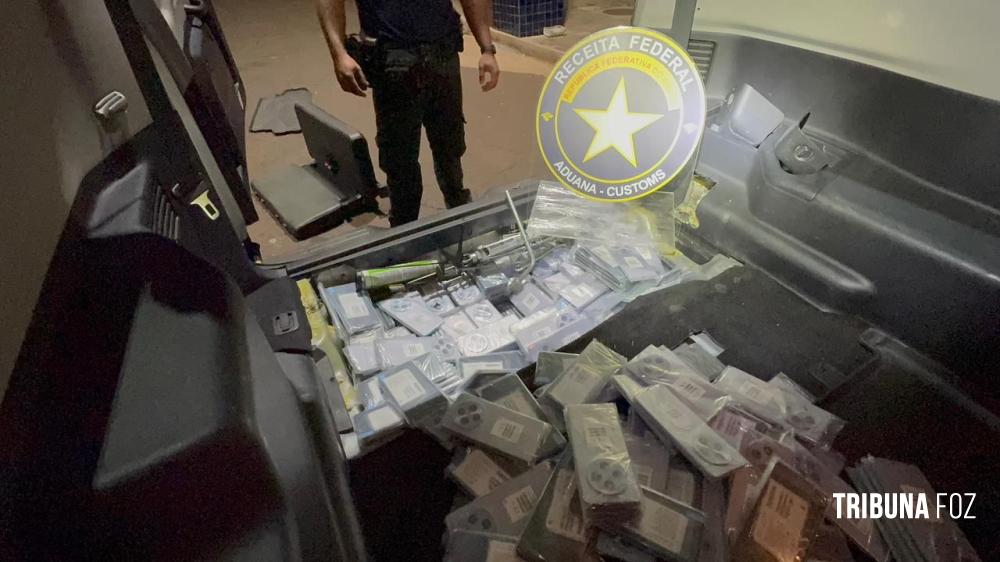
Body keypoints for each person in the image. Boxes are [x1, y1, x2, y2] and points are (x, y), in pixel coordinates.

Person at [316, 0, 500, 226]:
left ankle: (460, 216)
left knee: (450, 147)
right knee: (400, 161)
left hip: (443, 53)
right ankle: (404, 231)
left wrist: (487, 48)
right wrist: (339, 53)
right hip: (392, 62)